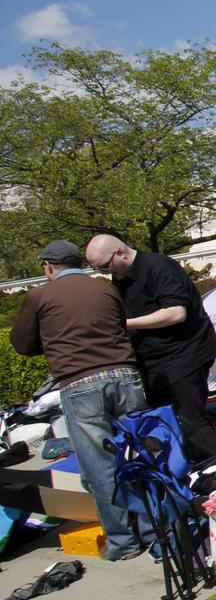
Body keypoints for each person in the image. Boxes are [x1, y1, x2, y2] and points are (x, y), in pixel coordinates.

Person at [8, 240, 152, 560]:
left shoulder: (40, 296)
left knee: (100, 465)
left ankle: (123, 542)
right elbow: (119, 326)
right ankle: (153, 530)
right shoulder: (104, 289)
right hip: (126, 378)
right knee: (136, 455)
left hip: (81, 383)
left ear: (48, 266)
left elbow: (22, 343)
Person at [83, 235, 216, 463]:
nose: (104, 272)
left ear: (120, 252)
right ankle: (191, 472)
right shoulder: (121, 278)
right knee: (164, 420)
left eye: (104, 266)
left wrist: (125, 324)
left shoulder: (158, 266)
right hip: (154, 361)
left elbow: (176, 312)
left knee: (189, 419)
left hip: (184, 353)